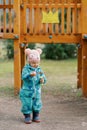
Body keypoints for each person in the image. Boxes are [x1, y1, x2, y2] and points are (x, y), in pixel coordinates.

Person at [19, 48, 47, 124]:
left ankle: (36, 115)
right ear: (29, 61)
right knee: (27, 103)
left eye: (37, 63)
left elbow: (43, 77)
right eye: (33, 64)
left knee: (37, 103)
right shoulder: (26, 68)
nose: (35, 65)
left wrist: (42, 80)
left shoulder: (39, 70)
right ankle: (27, 116)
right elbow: (23, 77)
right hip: (27, 91)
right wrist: (30, 74)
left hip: (37, 91)